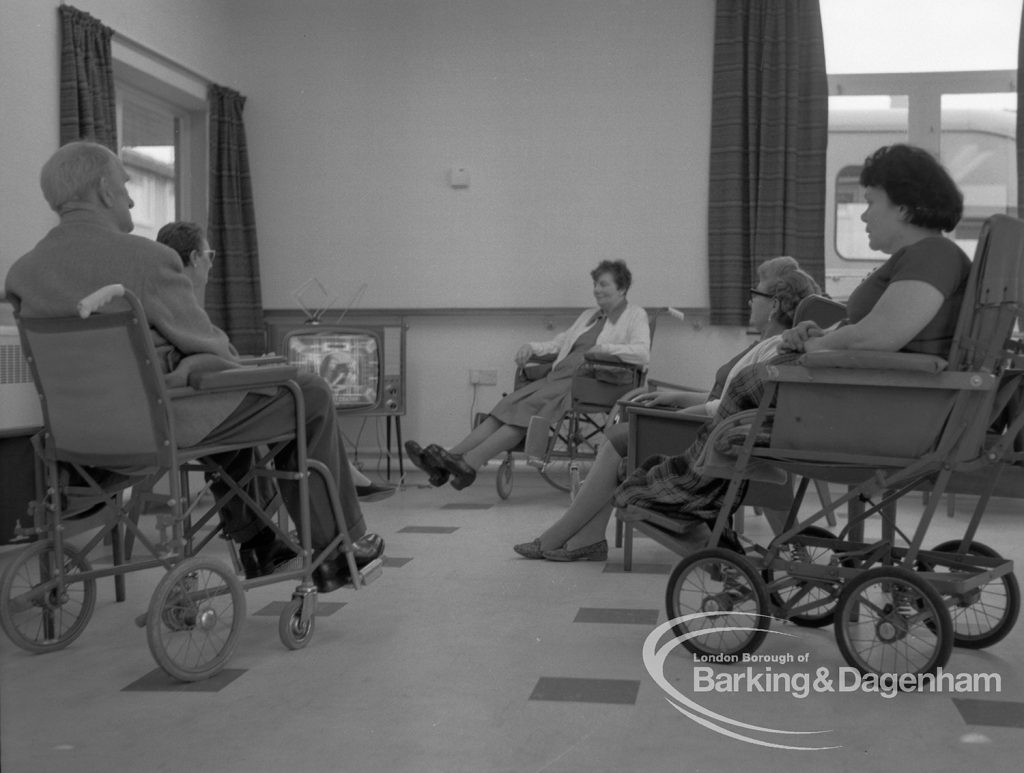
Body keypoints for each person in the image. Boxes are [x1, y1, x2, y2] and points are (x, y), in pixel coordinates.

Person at [4, 141, 383, 592]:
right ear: (104, 190)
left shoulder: (24, 273)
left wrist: (193, 362)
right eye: (125, 186)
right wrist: (200, 360)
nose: (129, 198)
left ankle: (262, 543)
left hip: (80, 438)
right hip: (161, 424)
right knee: (309, 393)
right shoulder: (145, 259)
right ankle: (336, 551)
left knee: (231, 409)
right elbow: (214, 349)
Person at [611, 143, 970, 538]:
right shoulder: (923, 257)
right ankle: (691, 490)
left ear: (903, 206)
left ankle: (688, 492)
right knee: (753, 388)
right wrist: (819, 334)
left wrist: (816, 347)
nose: (864, 215)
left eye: (870, 202)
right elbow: (872, 330)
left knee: (754, 384)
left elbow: (882, 336)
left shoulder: (932, 254)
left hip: (883, 408)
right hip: (876, 398)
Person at [513, 256, 822, 561]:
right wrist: (676, 398)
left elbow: (731, 409)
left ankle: (563, 538)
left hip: (711, 439)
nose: (749, 301)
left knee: (617, 439)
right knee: (621, 438)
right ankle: (585, 538)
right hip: (712, 427)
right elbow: (727, 398)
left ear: (775, 305)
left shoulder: (772, 349)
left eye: (755, 294)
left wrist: (678, 415)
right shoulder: (765, 345)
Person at [155, 220, 396, 503]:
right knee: (307, 393)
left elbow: (203, 356)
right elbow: (213, 356)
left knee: (287, 404)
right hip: (197, 416)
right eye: (210, 256)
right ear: (195, 258)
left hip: (180, 413)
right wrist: (257, 369)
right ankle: (338, 506)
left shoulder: (156, 297)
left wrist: (252, 366)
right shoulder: (177, 300)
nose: (211, 264)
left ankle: (270, 534)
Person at [405, 259, 650, 490]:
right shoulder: (589, 315)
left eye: (603, 284)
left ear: (622, 288)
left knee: (527, 413)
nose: (596, 289)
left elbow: (642, 354)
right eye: (595, 284)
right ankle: (445, 461)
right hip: (562, 375)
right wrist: (531, 347)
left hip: (593, 381)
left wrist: (604, 349)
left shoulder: (635, 315)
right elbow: (561, 343)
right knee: (508, 405)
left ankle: (469, 463)